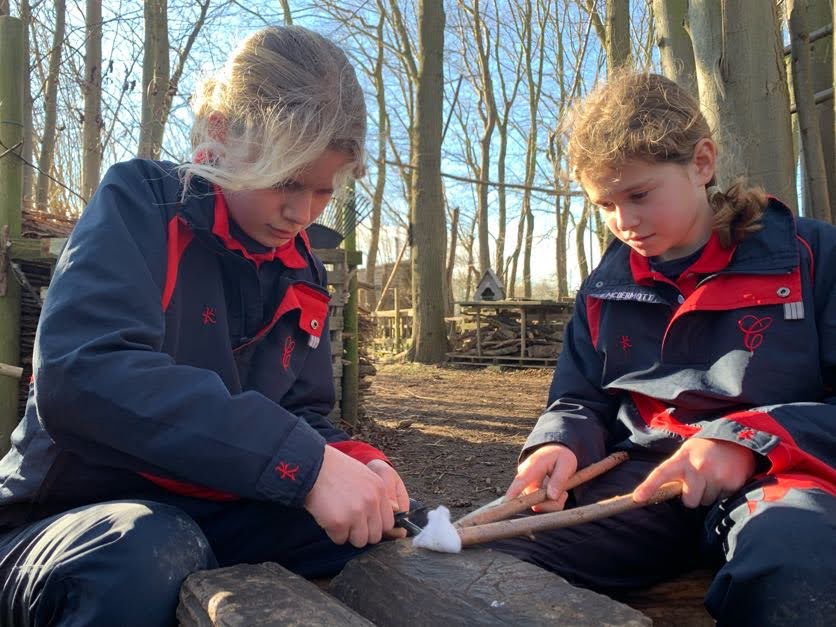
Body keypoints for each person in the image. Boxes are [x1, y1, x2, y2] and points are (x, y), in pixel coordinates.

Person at [0, 25, 410, 626]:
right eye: (286, 181)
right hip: (69, 518)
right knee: (145, 550)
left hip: (215, 508)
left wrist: (351, 460)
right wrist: (303, 463)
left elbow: (304, 415)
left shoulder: (303, 268)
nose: (302, 213)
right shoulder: (142, 202)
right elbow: (83, 376)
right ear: (220, 132)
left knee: (388, 528)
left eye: (323, 190)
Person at [493, 72, 835, 625]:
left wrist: (744, 441)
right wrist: (556, 446)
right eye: (604, 204)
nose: (623, 222)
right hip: (644, 480)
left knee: (799, 563)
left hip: (781, 476)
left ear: (702, 163)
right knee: (489, 559)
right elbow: (580, 397)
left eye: (638, 195)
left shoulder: (815, 257)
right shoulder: (604, 285)